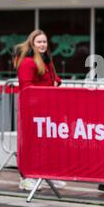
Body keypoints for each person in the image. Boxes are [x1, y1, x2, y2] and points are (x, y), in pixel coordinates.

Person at [13, 29, 65, 191]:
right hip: (31, 109)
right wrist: (48, 89)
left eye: (44, 42)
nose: (42, 45)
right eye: (39, 42)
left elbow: (52, 78)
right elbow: (27, 86)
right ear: (32, 43)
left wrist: (57, 81)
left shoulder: (46, 59)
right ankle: (26, 177)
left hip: (46, 108)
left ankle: (46, 174)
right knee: (30, 144)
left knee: (45, 143)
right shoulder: (28, 62)